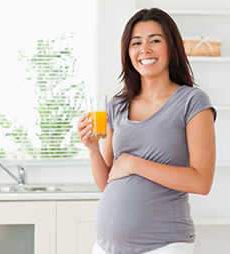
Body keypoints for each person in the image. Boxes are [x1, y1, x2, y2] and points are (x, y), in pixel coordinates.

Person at [77, 8, 216, 254]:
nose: (145, 49)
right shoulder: (117, 106)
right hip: (105, 246)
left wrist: (134, 163)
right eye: (136, 42)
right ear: (127, 51)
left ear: (171, 47)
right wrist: (92, 150)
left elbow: (202, 182)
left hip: (163, 245)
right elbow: (107, 183)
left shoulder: (192, 102)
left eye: (155, 40)